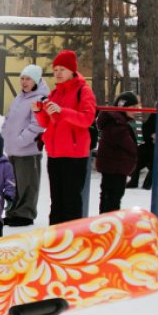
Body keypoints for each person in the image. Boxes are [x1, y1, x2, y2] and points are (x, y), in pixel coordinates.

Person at [34, 50, 97, 225]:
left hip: (74, 156)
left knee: (71, 203)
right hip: (55, 154)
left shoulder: (83, 91)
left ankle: (73, 242)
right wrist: (39, 111)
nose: (58, 73)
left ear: (71, 70)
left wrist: (63, 111)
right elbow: (47, 123)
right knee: (56, 202)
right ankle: (55, 240)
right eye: (55, 70)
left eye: (62, 69)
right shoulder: (54, 93)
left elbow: (87, 118)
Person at [0, 65, 49, 227]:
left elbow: (38, 125)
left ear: (36, 80)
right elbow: (9, 119)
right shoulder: (20, 97)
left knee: (27, 183)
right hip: (13, 150)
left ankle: (25, 214)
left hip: (28, 151)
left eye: (28, 78)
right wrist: (4, 135)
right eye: (22, 78)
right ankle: (13, 212)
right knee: (14, 184)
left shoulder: (39, 98)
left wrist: (21, 140)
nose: (24, 82)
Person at [96, 91, 139, 213]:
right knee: (112, 199)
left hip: (113, 167)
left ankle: (105, 223)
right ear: (123, 107)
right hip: (115, 168)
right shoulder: (117, 124)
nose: (136, 110)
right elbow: (129, 146)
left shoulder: (116, 122)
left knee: (108, 197)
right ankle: (108, 225)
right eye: (133, 107)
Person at [126, 92, 154, 190]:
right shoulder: (154, 117)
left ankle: (147, 184)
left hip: (154, 147)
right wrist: (152, 135)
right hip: (148, 145)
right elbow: (145, 129)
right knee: (139, 160)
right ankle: (135, 181)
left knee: (154, 164)